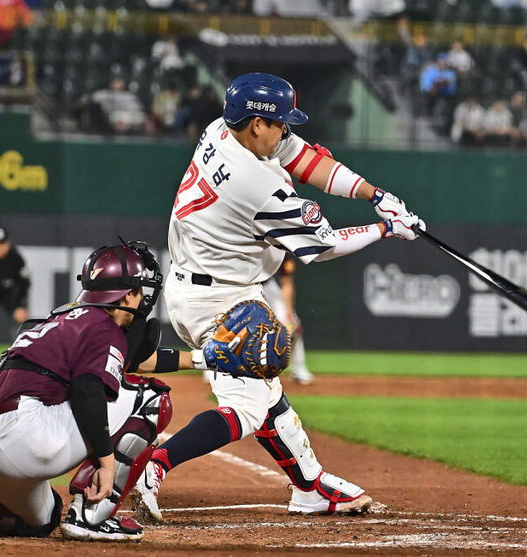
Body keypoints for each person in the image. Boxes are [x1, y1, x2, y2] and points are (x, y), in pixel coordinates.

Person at [131, 72, 426, 522]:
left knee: (266, 385)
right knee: (247, 408)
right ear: (256, 124)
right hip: (220, 300)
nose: (286, 131)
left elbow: (306, 158)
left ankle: (310, 486)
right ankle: (156, 465)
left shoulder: (222, 129)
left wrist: (376, 195)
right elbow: (323, 245)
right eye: (279, 123)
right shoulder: (256, 183)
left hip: (205, 284)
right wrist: (386, 227)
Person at [0, 241, 185, 541]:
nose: (142, 299)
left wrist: (203, 358)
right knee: (151, 399)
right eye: (138, 290)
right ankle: (91, 515)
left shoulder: (63, 319)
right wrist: (106, 464)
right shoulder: (103, 326)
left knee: (44, 519)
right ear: (125, 293)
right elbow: (87, 391)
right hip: (26, 439)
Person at [261, 254, 315, 385]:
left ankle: (299, 369)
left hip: (267, 285)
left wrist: (289, 314)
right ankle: (213, 369)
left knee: (294, 325)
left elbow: (287, 281)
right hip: (238, 285)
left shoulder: (280, 247)